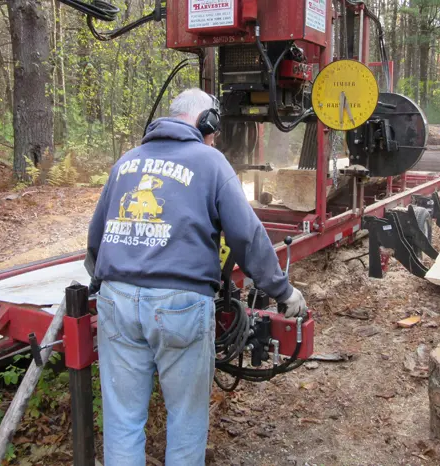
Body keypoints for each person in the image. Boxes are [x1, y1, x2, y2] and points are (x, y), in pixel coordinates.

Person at [84, 88, 307, 466]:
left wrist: (104, 283)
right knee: (185, 421)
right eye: (215, 129)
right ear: (207, 122)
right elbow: (247, 236)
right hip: (179, 305)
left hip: (115, 298)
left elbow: (95, 239)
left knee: (122, 422)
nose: (215, 136)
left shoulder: (126, 162)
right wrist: (281, 290)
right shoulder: (211, 163)